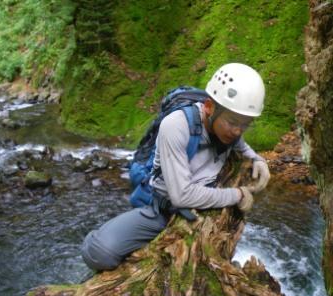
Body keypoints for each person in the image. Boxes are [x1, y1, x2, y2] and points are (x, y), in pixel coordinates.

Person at [82, 63, 270, 271]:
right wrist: (238, 195)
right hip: (163, 210)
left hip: (200, 209)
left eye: (245, 124)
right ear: (209, 107)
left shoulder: (227, 127)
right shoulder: (177, 126)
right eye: (233, 122)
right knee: (98, 252)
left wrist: (257, 159)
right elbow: (182, 196)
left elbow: (239, 141)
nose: (237, 131)